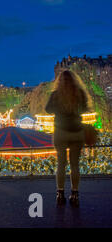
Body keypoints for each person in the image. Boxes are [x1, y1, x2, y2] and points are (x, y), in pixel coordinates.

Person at [46, 70, 90, 207]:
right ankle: (75, 194)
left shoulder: (55, 95)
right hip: (77, 132)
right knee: (75, 165)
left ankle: (60, 193)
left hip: (60, 131)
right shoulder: (80, 94)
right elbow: (84, 109)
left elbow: (48, 109)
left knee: (61, 164)